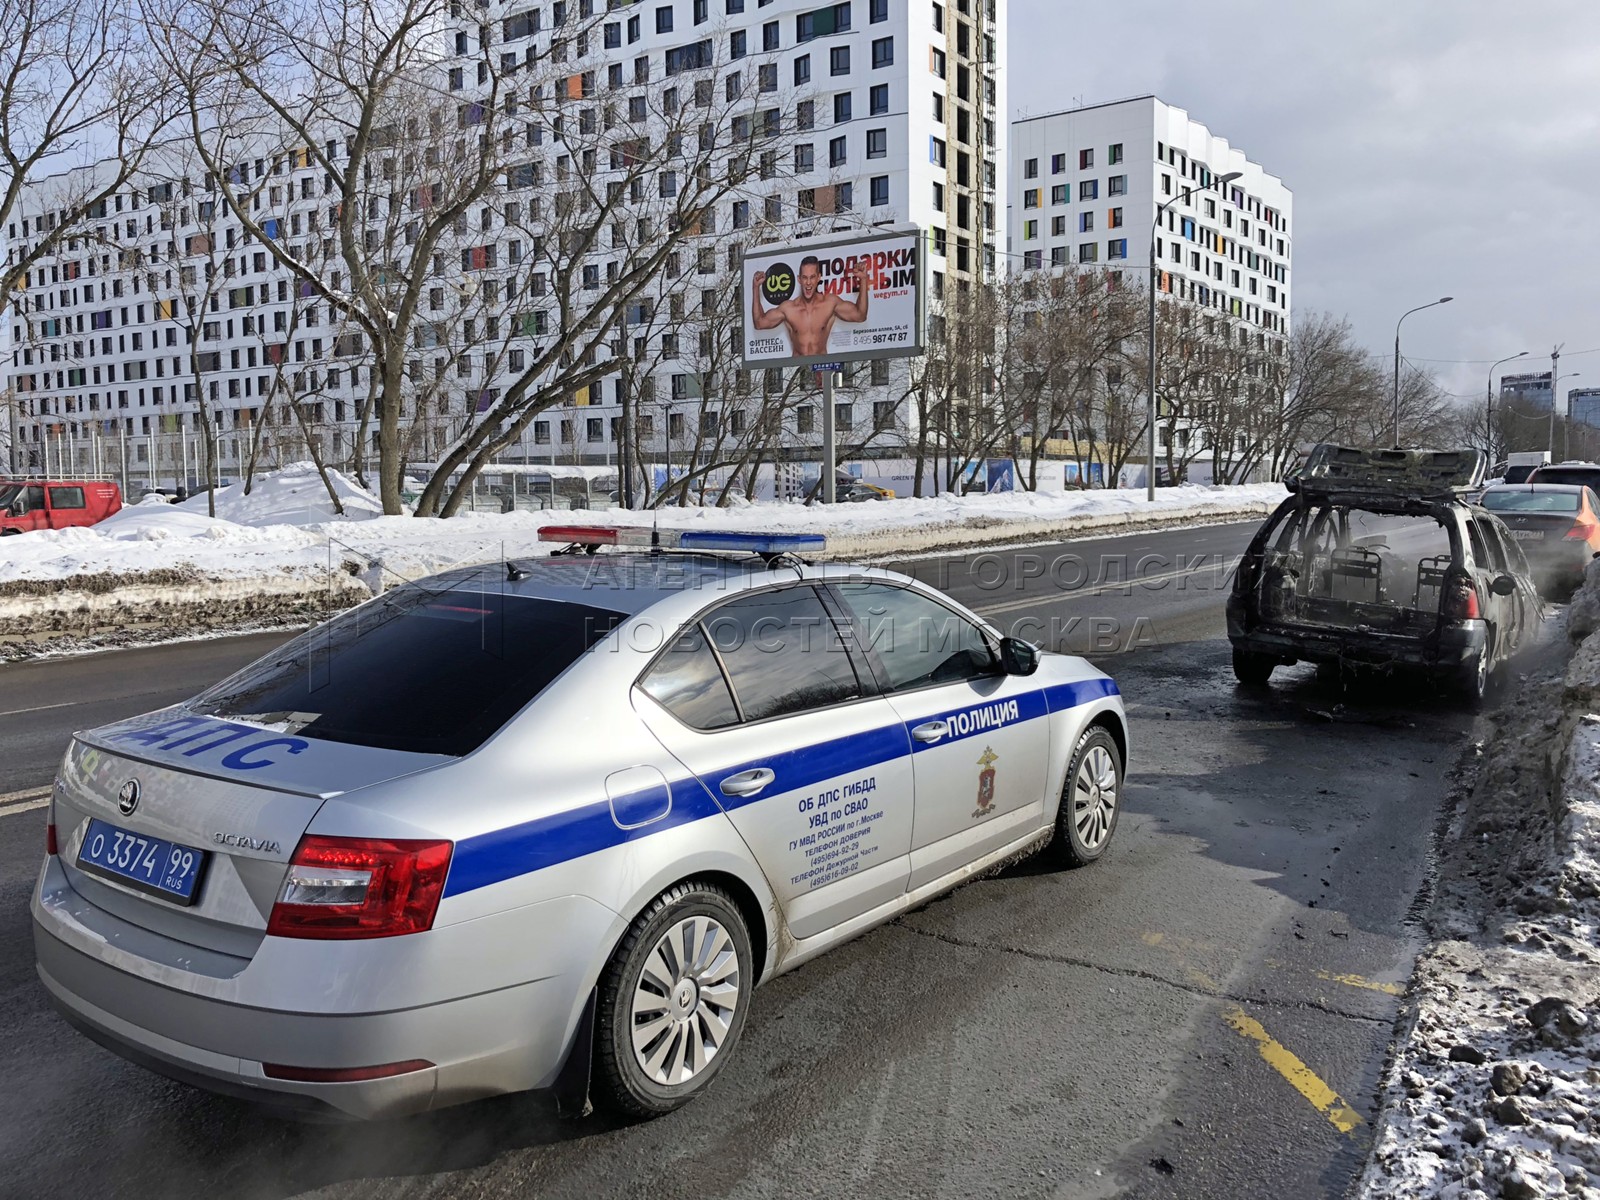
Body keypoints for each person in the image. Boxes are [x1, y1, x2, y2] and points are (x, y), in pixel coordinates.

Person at [751, 256, 870, 357]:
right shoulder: (788, 309)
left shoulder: (829, 303)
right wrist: (756, 288)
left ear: (818, 277)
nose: (808, 283)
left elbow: (860, 315)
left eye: (812, 277)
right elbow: (759, 323)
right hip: (798, 373)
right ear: (799, 279)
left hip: (821, 371)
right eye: (805, 277)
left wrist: (863, 279)